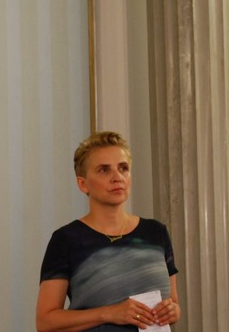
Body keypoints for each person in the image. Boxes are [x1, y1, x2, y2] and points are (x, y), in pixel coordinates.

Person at [36, 131, 181, 332]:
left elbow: (173, 303)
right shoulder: (66, 240)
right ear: (83, 184)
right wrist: (109, 313)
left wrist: (173, 311)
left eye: (123, 168)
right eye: (104, 170)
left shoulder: (156, 232)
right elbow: (45, 322)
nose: (117, 177)